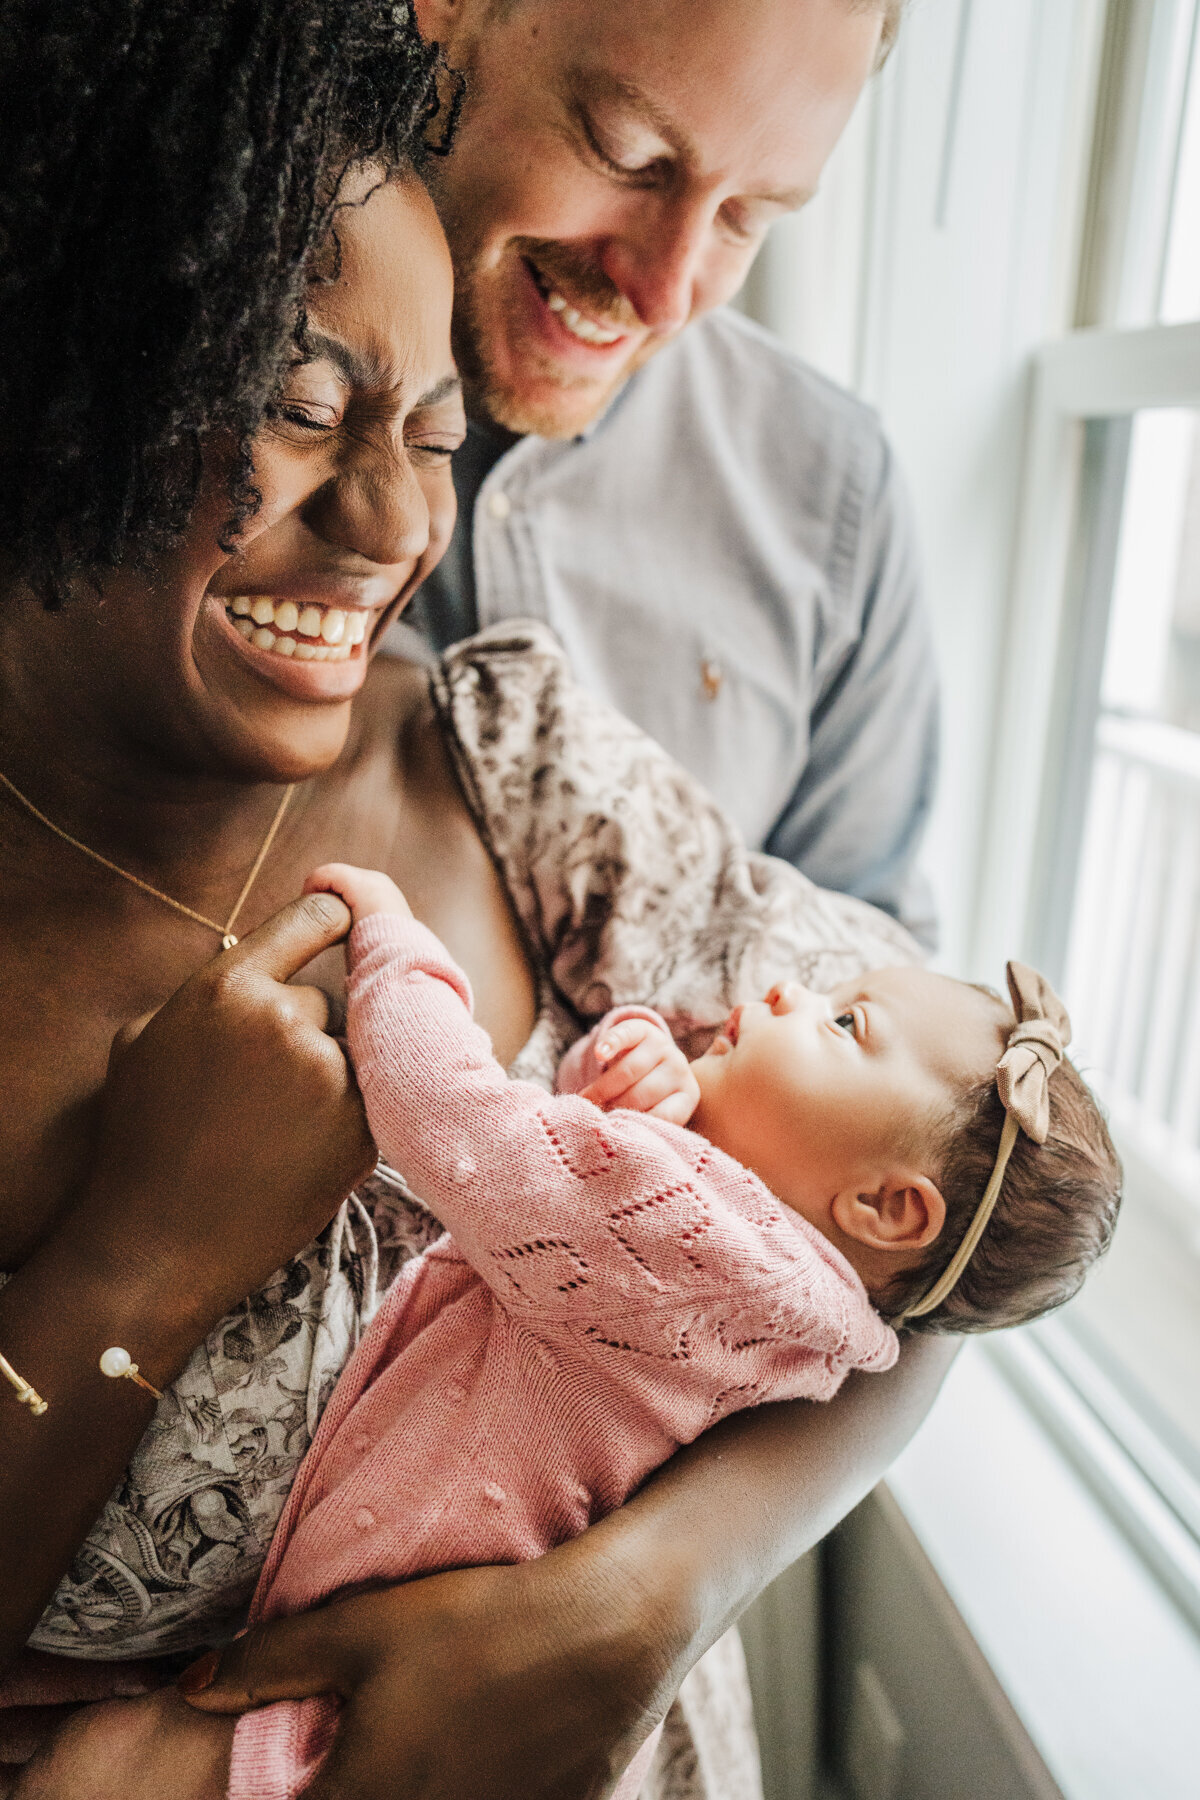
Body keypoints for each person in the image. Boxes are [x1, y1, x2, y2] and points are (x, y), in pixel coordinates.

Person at [0, 4, 952, 1798]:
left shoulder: (514, 751)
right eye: (635, 152)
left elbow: (947, 1193)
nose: (386, 525)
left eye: (754, 217)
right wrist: (137, 1262)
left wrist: (648, 1595)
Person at [214, 865, 1119, 1800]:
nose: (782, 989)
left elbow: (462, 1126)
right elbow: (578, 1233)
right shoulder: (807, 1318)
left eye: (844, 1024)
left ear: (888, 1207)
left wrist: (395, 947)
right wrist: (619, 1088)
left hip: (375, 1685)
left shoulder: (672, 1227)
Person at [395, 0, 939, 946]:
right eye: (629, 153)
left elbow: (881, 999)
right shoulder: (169, 388)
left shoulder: (837, 491)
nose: (665, 293)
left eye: (744, 218)